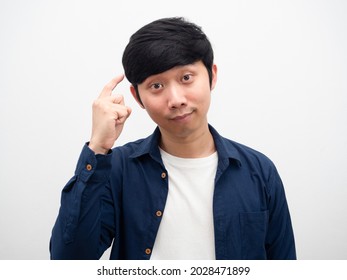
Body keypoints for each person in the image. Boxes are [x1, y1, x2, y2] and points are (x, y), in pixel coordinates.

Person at [50, 17, 296, 260]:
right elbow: (69, 260)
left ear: (212, 75)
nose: (176, 99)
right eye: (156, 86)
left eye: (186, 78)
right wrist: (98, 148)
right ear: (137, 98)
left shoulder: (259, 171)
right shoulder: (117, 168)